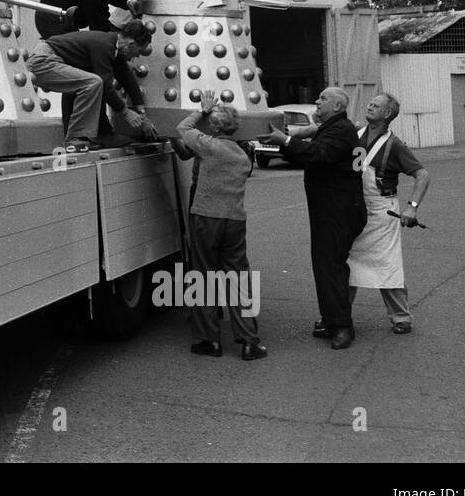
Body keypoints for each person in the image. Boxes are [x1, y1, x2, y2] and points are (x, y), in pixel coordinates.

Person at [258, 86, 367, 350]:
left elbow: (316, 155)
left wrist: (284, 141)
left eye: (322, 99)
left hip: (339, 211)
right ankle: (332, 320)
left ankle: (343, 327)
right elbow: (309, 154)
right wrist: (285, 142)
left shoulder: (341, 130)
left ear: (338, 106)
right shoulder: (333, 127)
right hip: (330, 210)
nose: (316, 102)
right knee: (324, 267)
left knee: (332, 268)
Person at [175, 90, 266, 360]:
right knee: (238, 279)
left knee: (203, 276)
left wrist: (202, 110)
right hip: (235, 220)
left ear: (213, 127)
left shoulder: (207, 146)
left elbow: (182, 128)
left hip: (206, 217)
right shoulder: (243, 157)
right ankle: (250, 341)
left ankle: (209, 340)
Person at [349, 92, 431, 334]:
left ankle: (401, 317)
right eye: (370, 102)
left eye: (377, 104)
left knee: (388, 264)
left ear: (387, 114)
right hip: (354, 209)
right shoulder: (356, 135)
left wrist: (412, 207)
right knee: (345, 262)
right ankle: (339, 315)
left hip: (382, 211)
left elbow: (423, 175)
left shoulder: (395, 145)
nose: (370, 105)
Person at [28, 20, 156, 150]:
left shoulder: (113, 46)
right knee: (93, 82)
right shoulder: (104, 45)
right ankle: (75, 138)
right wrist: (126, 112)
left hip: (50, 59)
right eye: (139, 51)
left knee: (88, 82)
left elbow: (128, 81)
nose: (138, 55)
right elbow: (106, 86)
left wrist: (142, 115)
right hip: (42, 61)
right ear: (131, 44)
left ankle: (91, 134)